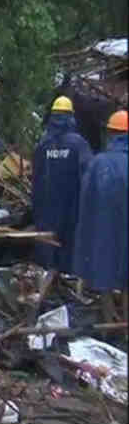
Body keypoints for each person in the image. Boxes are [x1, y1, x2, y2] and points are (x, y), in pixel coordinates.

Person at [71, 110, 128, 322]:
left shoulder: (98, 163)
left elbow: (85, 204)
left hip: (104, 232)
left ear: (111, 134)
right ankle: (124, 327)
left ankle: (108, 322)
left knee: (104, 271)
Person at [31, 96, 92, 273]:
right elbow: (88, 175)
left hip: (46, 206)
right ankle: (66, 278)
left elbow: (36, 176)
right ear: (71, 117)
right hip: (71, 206)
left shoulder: (43, 144)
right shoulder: (79, 144)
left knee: (47, 243)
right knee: (69, 244)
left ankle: (46, 277)